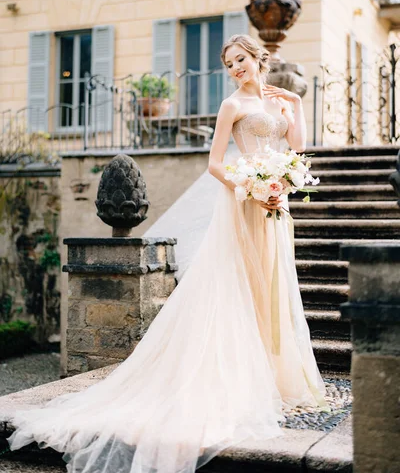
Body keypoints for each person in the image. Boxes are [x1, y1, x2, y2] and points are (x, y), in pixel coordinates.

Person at [7, 34, 330, 473]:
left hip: (276, 203)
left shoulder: (281, 102)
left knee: (273, 285)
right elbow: (215, 163)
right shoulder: (232, 106)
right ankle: (238, 376)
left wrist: (293, 110)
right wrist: (249, 186)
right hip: (244, 203)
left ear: (259, 59)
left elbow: (298, 150)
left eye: (241, 60)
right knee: (242, 286)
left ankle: (273, 374)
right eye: (229, 63)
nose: (236, 68)